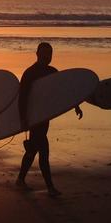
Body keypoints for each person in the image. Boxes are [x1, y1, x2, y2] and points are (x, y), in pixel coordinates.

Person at [16, 42, 82, 197]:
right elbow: (22, 98)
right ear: (37, 54)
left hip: (44, 117)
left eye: (50, 53)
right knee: (43, 151)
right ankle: (50, 187)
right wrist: (23, 119)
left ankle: (20, 179)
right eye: (45, 53)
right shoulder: (30, 73)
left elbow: (63, 92)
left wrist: (76, 105)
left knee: (32, 150)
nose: (48, 56)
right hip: (34, 118)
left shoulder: (52, 72)